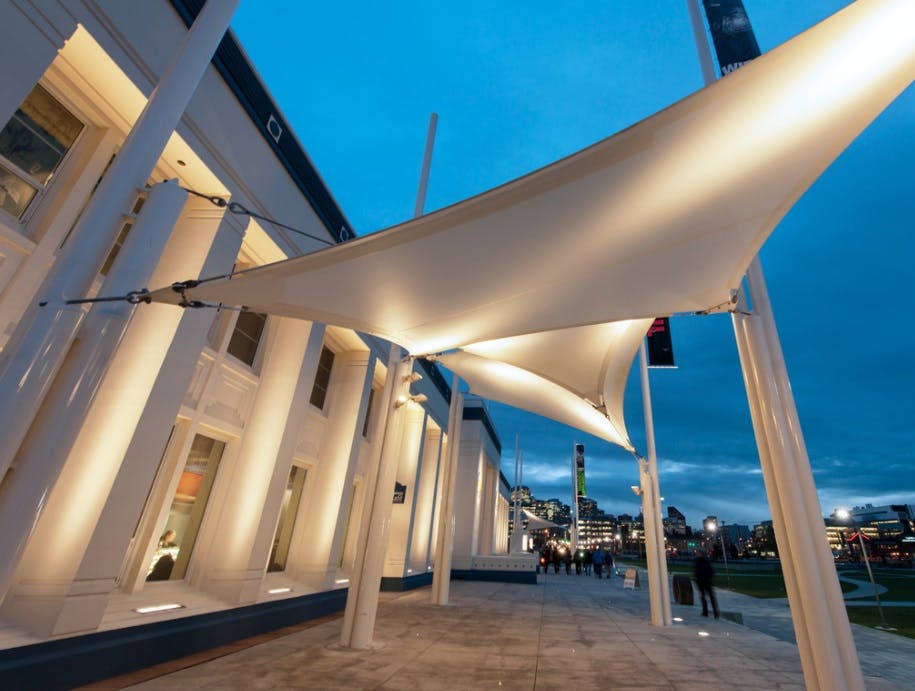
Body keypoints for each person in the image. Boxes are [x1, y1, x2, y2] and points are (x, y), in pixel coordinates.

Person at [694, 551, 719, 618]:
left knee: (704, 597)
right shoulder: (706, 561)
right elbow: (711, 571)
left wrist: (698, 580)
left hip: (702, 582)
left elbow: (697, 572)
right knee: (711, 597)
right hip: (707, 581)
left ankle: (706, 612)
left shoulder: (698, 562)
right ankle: (715, 612)